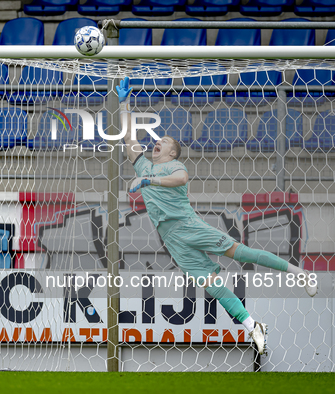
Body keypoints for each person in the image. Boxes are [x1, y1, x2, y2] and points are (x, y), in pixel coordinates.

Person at [116, 77, 317, 355]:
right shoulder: (143, 166)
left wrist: (149, 182)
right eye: (157, 141)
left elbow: (180, 178)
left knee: (241, 253)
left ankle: (301, 273)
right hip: (171, 239)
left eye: (163, 141)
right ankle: (253, 325)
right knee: (213, 286)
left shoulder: (174, 166)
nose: (156, 144)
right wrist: (124, 104)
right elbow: (129, 137)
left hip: (188, 226)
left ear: (173, 151)